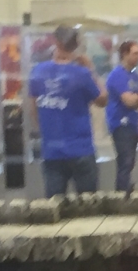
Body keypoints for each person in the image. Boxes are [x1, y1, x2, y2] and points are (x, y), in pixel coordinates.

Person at [28, 25, 108, 198]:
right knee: (88, 204)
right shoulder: (82, 74)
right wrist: (91, 70)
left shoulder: (38, 72)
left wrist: (45, 131)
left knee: (54, 205)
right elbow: (103, 100)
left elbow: (33, 108)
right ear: (76, 44)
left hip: (52, 150)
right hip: (81, 149)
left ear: (56, 42)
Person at [105, 40, 138, 194]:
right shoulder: (117, 75)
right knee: (125, 162)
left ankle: (125, 191)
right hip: (120, 124)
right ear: (125, 54)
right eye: (135, 53)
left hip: (133, 124)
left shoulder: (135, 76)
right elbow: (129, 101)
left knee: (129, 163)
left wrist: (137, 98)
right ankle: (121, 194)